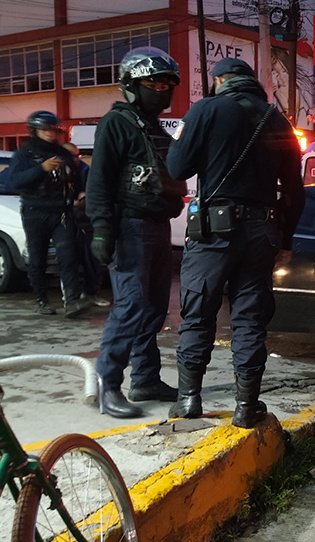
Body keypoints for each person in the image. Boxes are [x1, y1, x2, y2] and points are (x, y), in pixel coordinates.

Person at [165, 58, 305, 429]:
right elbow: (293, 190)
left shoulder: (205, 110)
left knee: (198, 312)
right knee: (250, 318)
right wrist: (286, 239)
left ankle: (189, 399)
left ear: (221, 81)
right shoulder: (277, 120)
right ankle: (246, 406)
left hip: (214, 231)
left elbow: (177, 168)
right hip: (262, 232)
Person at [85, 47, 187, 418]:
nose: (162, 88)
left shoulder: (154, 128)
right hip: (129, 227)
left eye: (167, 83)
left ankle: (144, 378)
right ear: (131, 84)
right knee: (129, 307)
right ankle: (107, 386)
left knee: (154, 308)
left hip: (157, 226)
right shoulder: (116, 123)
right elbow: (100, 180)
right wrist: (101, 229)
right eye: (153, 82)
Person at [8, 111, 85, 317]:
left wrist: (80, 193)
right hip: (35, 211)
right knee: (38, 258)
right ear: (34, 131)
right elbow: (14, 181)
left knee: (68, 256)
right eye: (44, 130)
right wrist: (41, 168)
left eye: (53, 129)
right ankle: (41, 300)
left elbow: (75, 179)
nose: (50, 134)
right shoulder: (25, 154)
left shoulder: (63, 153)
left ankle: (71, 301)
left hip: (62, 211)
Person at [63, 142, 109, 308]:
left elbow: (88, 197)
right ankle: (70, 296)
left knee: (92, 258)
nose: (77, 159)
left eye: (78, 155)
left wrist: (78, 202)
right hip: (65, 220)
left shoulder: (84, 170)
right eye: (73, 156)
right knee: (69, 259)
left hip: (85, 221)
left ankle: (90, 292)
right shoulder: (57, 169)